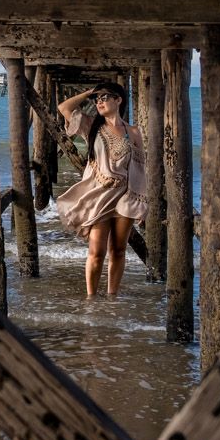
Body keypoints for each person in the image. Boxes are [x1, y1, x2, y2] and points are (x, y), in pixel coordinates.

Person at [56, 82, 147, 296]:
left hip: (126, 196)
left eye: (105, 97)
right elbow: (64, 108)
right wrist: (90, 92)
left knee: (118, 250)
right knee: (97, 252)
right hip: (100, 195)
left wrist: (142, 202)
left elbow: (140, 169)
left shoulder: (134, 132)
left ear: (119, 100)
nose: (99, 102)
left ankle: (112, 297)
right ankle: (91, 298)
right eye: (97, 99)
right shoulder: (91, 126)